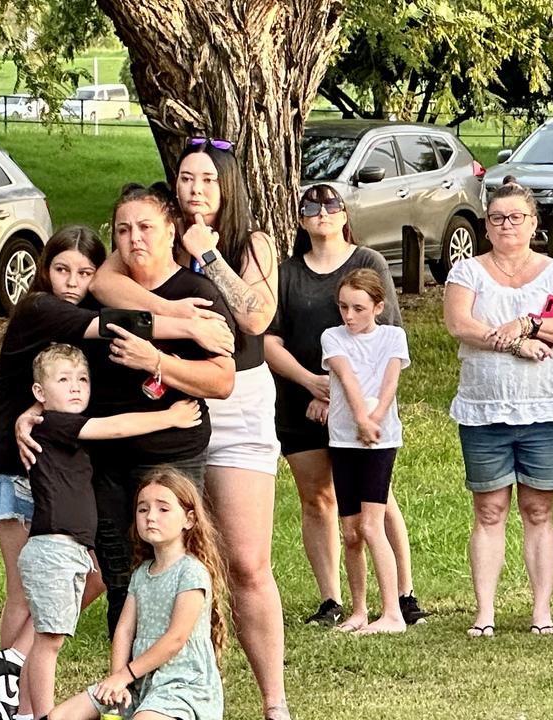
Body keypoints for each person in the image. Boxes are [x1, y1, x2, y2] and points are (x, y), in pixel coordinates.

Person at [0, 227, 229, 720]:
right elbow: (113, 325)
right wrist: (191, 325)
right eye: (61, 269)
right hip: (12, 461)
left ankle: (12, 666)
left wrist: (36, 413)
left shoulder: (74, 317)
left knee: (79, 578)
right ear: (44, 270)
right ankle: (15, 686)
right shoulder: (41, 308)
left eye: (86, 272)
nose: (72, 281)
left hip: (47, 457)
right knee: (26, 591)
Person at [90, 139, 287, 719]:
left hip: (240, 399)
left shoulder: (254, 243)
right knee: (167, 558)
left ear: (228, 187)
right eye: (185, 178)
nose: (196, 189)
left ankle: (274, 702)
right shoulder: (150, 234)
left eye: (207, 179)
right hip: (173, 403)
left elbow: (253, 316)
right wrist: (182, 320)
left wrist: (209, 256)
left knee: (247, 564)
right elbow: (104, 287)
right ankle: (180, 684)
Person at [21, 183, 235, 641]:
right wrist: (32, 410)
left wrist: (156, 361)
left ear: (171, 230)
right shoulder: (102, 295)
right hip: (105, 461)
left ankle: (180, 688)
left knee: (175, 572)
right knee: (120, 579)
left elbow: (222, 381)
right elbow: (61, 367)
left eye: (145, 227)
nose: (134, 238)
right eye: (123, 230)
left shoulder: (197, 295)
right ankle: (125, 693)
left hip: (171, 455)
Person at [265, 183, 428, 628]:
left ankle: (402, 595)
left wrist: (342, 396)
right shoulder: (285, 272)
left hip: (363, 406)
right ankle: (333, 600)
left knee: (378, 500)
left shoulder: (367, 262)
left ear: (344, 214)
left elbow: (385, 343)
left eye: (331, 205)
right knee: (317, 499)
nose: (321, 213)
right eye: (310, 208)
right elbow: (269, 340)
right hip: (301, 398)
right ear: (299, 219)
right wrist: (312, 384)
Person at [17, 343, 202, 719]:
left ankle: (28, 711)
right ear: (39, 393)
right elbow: (114, 427)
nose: (75, 387)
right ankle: (40, 714)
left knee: (53, 633)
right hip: (53, 546)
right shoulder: (54, 423)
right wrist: (170, 417)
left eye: (82, 379)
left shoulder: (56, 423)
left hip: (70, 547)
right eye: (64, 379)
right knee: (49, 641)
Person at [443, 179, 553, 637]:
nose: (507, 225)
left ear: (533, 224)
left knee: (539, 509)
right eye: (498, 218)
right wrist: (515, 346)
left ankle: (541, 613)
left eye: (517, 217)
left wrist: (529, 325)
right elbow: (460, 324)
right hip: (484, 409)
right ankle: (484, 613)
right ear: (486, 225)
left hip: (543, 411)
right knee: (488, 510)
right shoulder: (467, 272)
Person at [48, 469, 226, 720]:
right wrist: (117, 681)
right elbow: (124, 631)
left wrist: (125, 675)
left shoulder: (191, 572)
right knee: (60, 716)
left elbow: (176, 638)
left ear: (189, 519)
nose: (151, 516)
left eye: (163, 509)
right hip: (138, 681)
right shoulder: (141, 573)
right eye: (143, 509)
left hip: (180, 685)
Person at [322, 268, 411, 635]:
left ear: (378, 306)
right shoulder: (332, 337)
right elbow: (346, 378)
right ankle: (358, 610)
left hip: (379, 441)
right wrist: (360, 418)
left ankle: (393, 613)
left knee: (372, 525)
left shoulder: (393, 337)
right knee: (350, 532)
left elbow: (389, 382)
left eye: (358, 308)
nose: (349, 316)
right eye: (343, 307)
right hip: (344, 439)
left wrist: (373, 420)